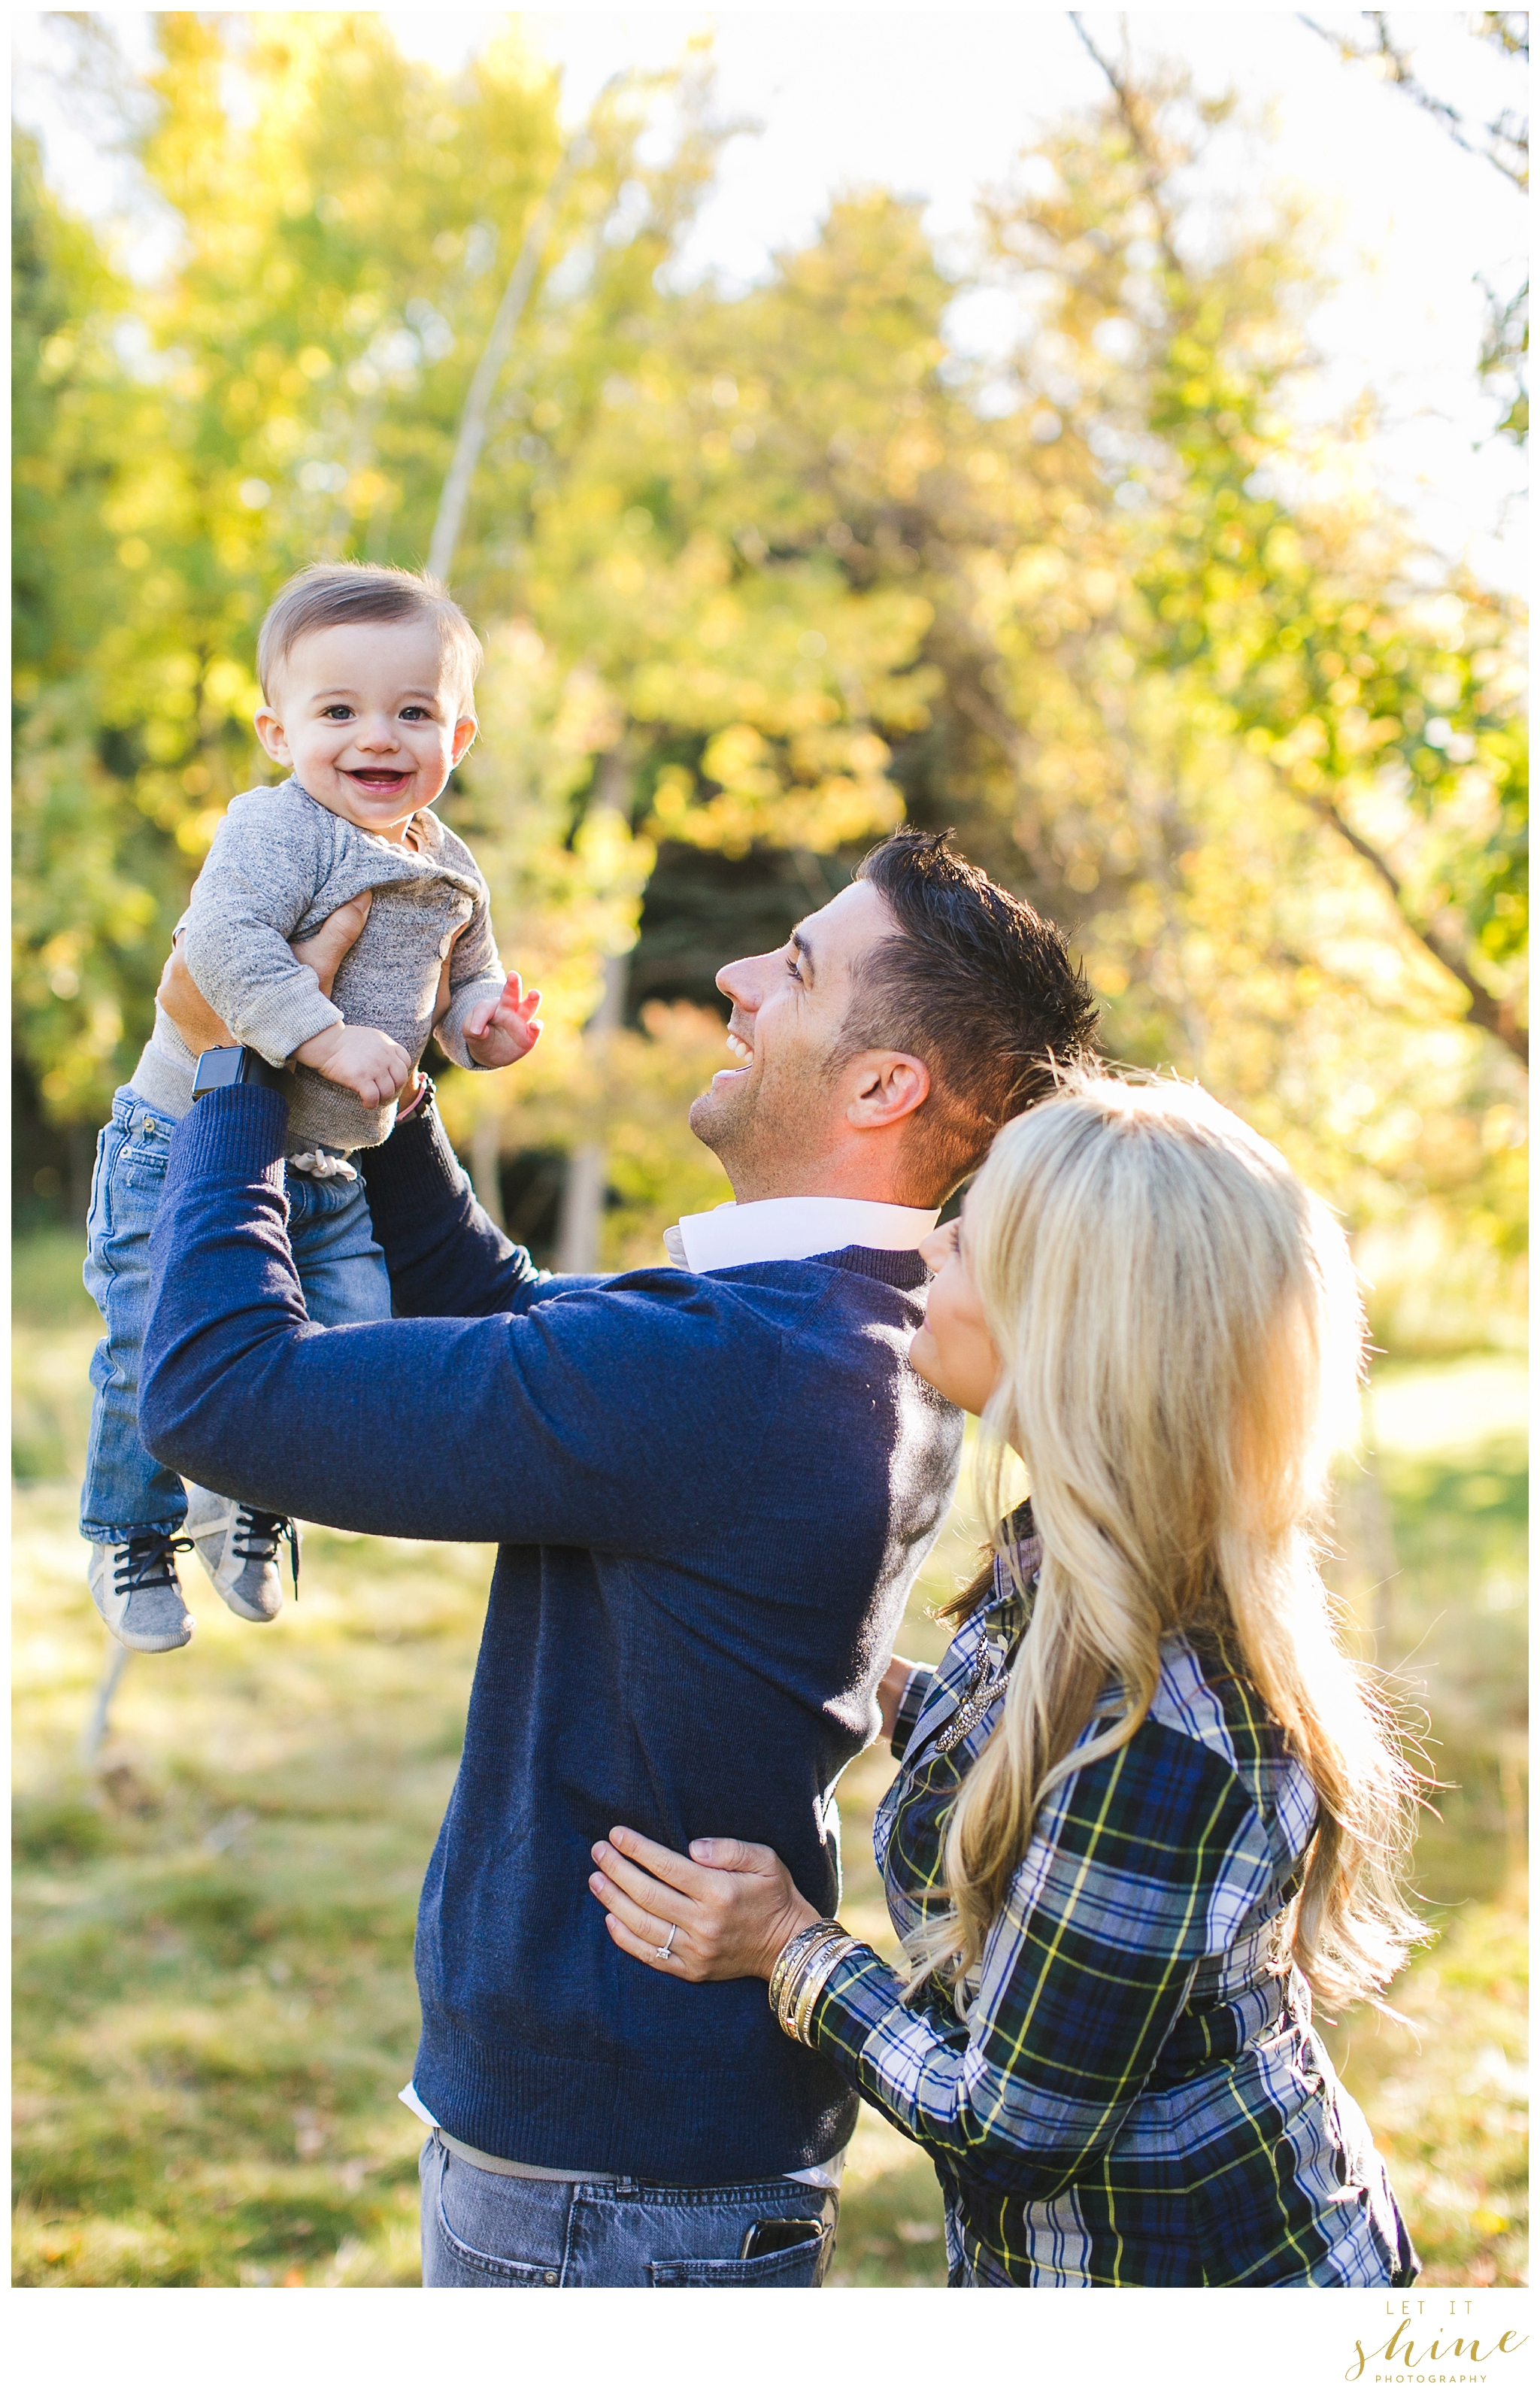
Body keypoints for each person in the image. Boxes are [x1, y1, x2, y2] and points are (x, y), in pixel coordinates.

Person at [141, 830, 1099, 2287]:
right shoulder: (827, 1322)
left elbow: (220, 1396)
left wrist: (225, 1066)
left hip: (607, 2187)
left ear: (882, 1083)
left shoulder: (739, 1368)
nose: (729, 976)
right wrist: (386, 1087)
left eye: (789, 967)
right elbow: (520, 1329)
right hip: (649, 2146)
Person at [587, 1075, 1423, 2288]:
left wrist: (786, 1944)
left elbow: (1009, 2127)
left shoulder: (1168, 1739)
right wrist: (876, 1685)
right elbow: (1033, 1768)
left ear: (1068, 1325)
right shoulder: (1085, 1569)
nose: (930, 1240)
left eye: (971, 1238)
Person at [80, 562, 541, 1654]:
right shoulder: (277, 827)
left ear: (457, 739)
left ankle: (255, 1501)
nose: (377, 735)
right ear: (279, 731)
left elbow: (467, 970)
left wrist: (482, 1025)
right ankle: (128, 1529)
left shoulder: (448, 858)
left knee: (348, 1342)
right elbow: (221, 946)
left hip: (328, 1169)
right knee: (153, 1336)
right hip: (181, 1141)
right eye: (339, 710)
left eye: (413, 711)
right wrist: (321, 1033)